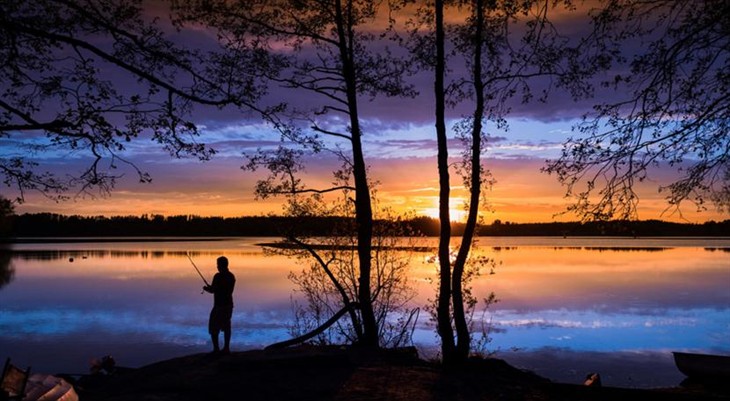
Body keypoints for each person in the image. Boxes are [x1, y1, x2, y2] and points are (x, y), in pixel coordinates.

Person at [203, 256, 236, 354]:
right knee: (226, 327)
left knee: (214, 327)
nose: (217, 266)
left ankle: (216, 349)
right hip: (229, 305)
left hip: (219, 306)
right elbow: (220, 289)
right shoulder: (231, 276)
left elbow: (213, 290)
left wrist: (206, 288)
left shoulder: (218, 276)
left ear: (221, 265)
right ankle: (226, 348)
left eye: (218, 264)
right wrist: (212, 288)